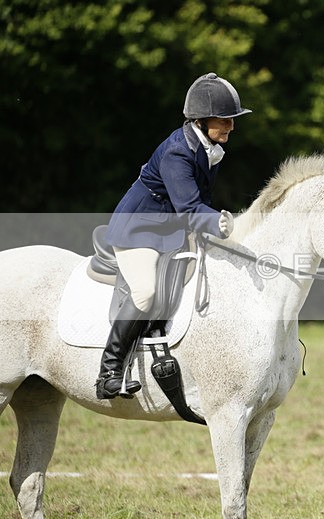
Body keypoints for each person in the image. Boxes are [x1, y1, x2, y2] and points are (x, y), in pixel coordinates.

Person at [96, 73, 250, 400]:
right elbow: (191, 206)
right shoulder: (177, 152)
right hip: (138, 229)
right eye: (225, 120)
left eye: (232, 120)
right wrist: (221, 223)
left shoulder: (209, 146)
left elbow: (198, 203)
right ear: (201, 119)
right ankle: (108, 371)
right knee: (144, 292)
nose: (231, 127)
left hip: (171, 228)